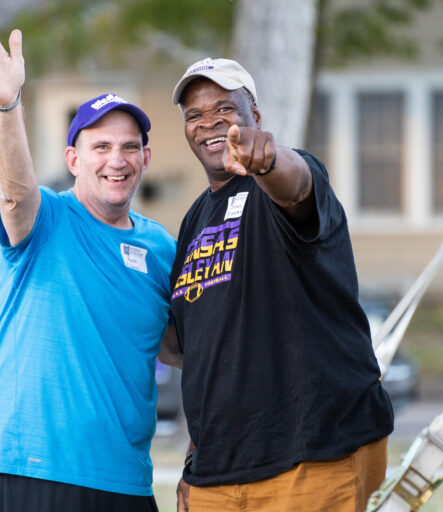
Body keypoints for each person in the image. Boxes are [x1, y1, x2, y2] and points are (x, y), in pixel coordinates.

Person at [0, 17, 177, 512]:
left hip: (126, 478)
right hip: (33, 464)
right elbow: (14, 192)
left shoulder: (161, 248)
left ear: (146, 157)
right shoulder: (46, 218)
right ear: (73, 159)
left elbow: (181, 346)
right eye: (100, 147)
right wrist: (6, 103)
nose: (116, 160)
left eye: (128, 148)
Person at [166, 57, 395, 512]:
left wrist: (267, 160)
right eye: (195, 115)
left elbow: (296, 188)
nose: (209, 123)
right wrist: (196, 460)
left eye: (225, 109)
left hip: (311, 457)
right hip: (219, 473)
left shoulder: (278, 181)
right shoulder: (195, 220)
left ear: (256, 118)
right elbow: (206, 351)